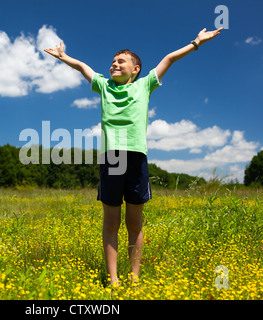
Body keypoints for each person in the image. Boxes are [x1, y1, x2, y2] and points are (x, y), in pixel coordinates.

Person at [44, 27, 223, 286]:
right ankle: (114, 279)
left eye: (121, 61)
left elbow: (169, 59)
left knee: (134, 222)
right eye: (113, 62)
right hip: (111, 159)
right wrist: (64, 56)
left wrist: (196, 42)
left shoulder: (145, 86)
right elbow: (83, 67)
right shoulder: (104, 87)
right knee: (112, 221)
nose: (114, 64)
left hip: (136, 157)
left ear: (135, 69)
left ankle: (134, 278)